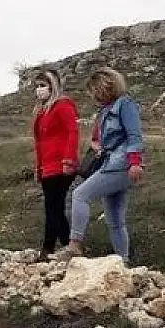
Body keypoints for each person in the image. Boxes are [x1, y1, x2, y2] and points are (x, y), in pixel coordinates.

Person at [65, 67, 145, 263]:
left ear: (104, 88)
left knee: (80, 195)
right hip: (114, 162)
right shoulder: (105, 111)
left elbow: (134, 135)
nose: (92, 96)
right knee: (115, 220)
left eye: (94, 91)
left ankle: (75, 243)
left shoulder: (124, 105)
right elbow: (99, 138)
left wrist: (135, 162)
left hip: (120, 164)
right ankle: (123, 261)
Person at [30, 70, 79, 260]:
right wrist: (38, 168)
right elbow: (40, 143)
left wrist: (69, 160)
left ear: (53, 86)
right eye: (37, 86)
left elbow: (72, 132)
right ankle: (68, 246)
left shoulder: (63, 106)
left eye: (43, 85)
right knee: (55, 208)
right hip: (48, 166)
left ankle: (48, 247)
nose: (39, 90)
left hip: (60, 165)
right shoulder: (42, 111)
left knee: (53, 208)